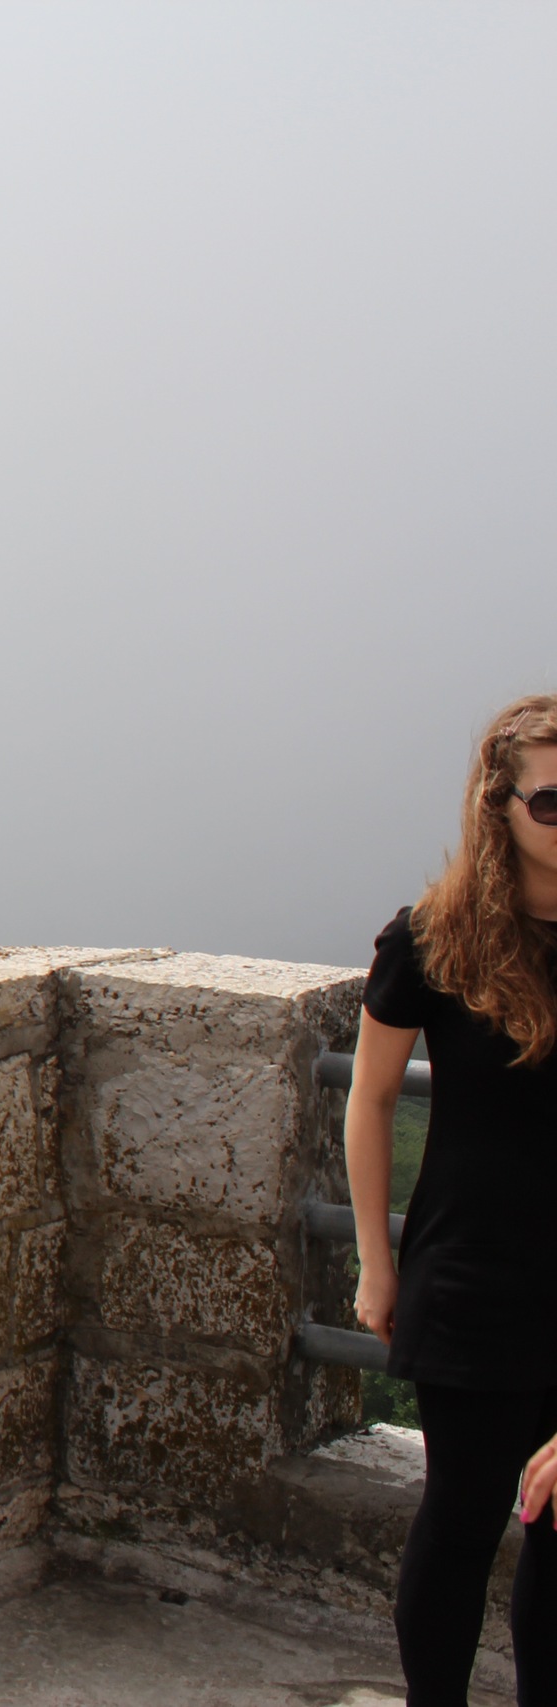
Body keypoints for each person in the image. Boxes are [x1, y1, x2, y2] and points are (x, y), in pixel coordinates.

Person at [348, 692, 557, 1704]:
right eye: (550, 802)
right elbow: (371, 1096)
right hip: (472, 1280)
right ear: (499, 806)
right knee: (464, 1519)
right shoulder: (435, 938)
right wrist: (375, 1262)